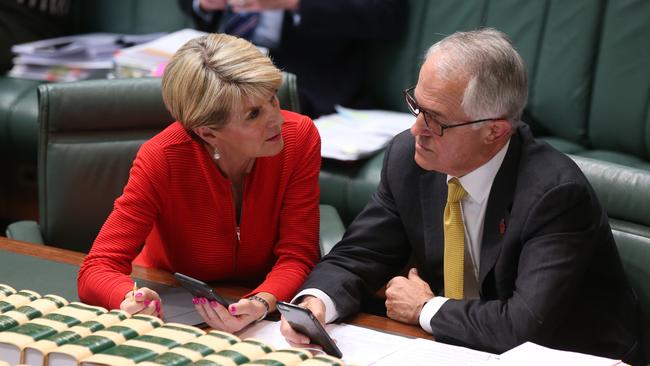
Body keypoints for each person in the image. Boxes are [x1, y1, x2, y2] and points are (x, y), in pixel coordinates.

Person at [280, 28, 644, 364]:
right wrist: (316, 304)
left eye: (436, 120)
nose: (416, 129)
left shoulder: (555, 195)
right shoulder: (409, 158)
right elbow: (361, 253)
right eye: (416, 106)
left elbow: (523, 327)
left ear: (494, 131)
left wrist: (425, 308)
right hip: (461, 347)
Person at [78, 33, 321, 333]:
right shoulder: (162, 158)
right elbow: (97, 267)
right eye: (254, 114)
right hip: (173, 308)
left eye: (272, 97)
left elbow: (299, 256)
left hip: (261, 316)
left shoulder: (299, 138)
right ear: (207, 133)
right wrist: (130, 298)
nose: (277, 119)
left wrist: (260, 303)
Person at [178, 0, 406, 118]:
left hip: (305, 78)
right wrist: (203, 3)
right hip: (215, 54)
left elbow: (386, 14)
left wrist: (296, 2)